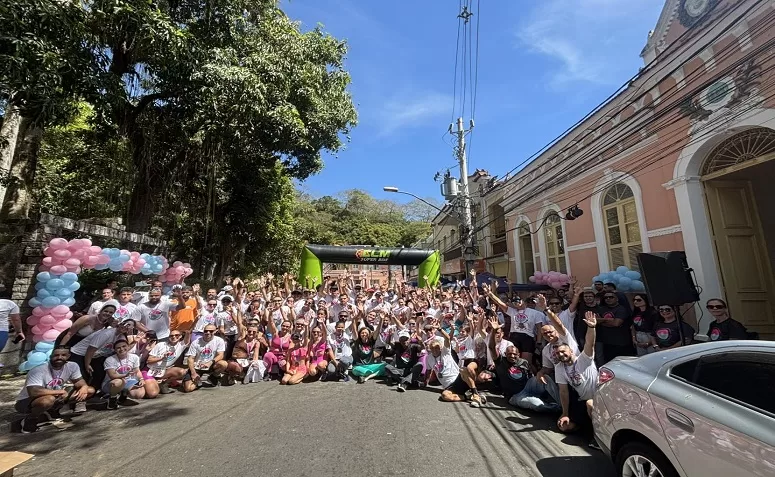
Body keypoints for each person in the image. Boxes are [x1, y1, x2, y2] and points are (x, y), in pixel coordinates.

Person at [15, 346, 95, 432]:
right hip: (26, 402)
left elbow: (79, 382)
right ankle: (30, 419)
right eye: (56, 355)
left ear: (68, 356)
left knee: (90, 390)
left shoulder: (72, 366)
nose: (59, 357)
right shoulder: (38, 370)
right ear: (50, 356)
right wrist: (59, 391)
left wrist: (84, 387)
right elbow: (33, 392)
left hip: (54, 396)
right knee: (49, 399)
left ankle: (53, 410)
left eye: (63, 355)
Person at [555, 311, 600, 449]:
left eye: (563, 351)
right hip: (582, 402)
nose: (561, 355)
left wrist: (591, 327)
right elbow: (563, 392)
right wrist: (565, 413)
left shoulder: (584, 359)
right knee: (564, 426)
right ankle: (587, 427)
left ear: (571, 351)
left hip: (599, 399)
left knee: (590, 404)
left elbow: (589, 344)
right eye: (557, 353)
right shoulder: (559, 368)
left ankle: (599, 438)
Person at [69, 315, 135, 389]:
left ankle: (92, 394)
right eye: (124, 324)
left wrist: (134, 342)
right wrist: (87, 364)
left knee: (99, 373)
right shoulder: (107, 333)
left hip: (95, 356)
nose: (125, 326)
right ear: (120, 324)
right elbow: (90, 349)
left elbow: (124, 349)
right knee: (82, 376)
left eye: (129, 326)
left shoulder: (121, 336)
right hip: (79, 354)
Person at [103, 339, 152, 409]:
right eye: (118, 348)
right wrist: (125, 375)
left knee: (139, 394)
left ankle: (123, 394)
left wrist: (141, 379)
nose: (122, 349)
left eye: (124, 346)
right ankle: (112, 399)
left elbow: (137, 371)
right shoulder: (109, 360)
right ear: (115, 350)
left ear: (128, 347)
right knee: (118, 382)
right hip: (111, 383)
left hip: (128, 380)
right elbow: (112, 375)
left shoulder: (134, 357)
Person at [183, 324, 227, 392]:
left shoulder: (219, 340)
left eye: (211, 331)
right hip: (197, 367)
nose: (208, 333)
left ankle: (213, 376)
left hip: (211, 365)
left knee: (223, 364)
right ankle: (197, 381)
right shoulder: (195, 342)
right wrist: (193, 373)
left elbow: (221, 355)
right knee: (188, 388)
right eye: (206, 331)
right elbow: (190, 359)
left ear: (215, 331)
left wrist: (210, 362)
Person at [595, 291, 634, 366]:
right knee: (610, 364)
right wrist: (608, 320)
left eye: (611, 297)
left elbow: (616, 323)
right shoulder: (602, 308)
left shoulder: (621, 309)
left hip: (621, 342)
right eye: (606, 297)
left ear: (617, 299)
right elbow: (596, 320)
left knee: (623, 364)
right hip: (607, 342)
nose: (608, 299)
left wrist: (602, 320)